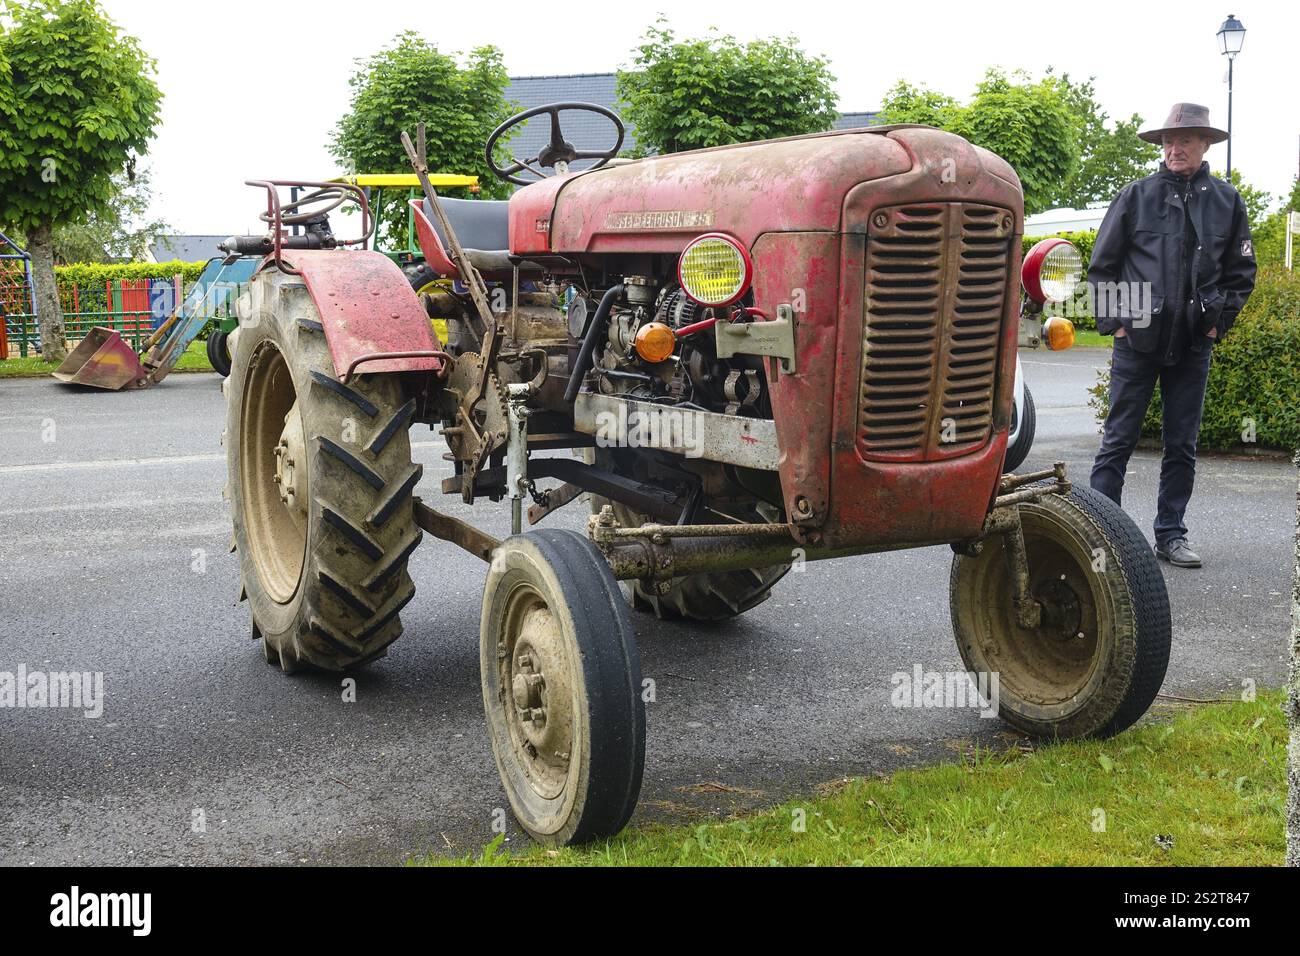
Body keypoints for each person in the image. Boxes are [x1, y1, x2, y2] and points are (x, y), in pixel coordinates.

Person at [1088, 103, 1257, 568]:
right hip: (1137, 339)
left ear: (1206, 144)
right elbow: (1101, 269)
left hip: (1192, 343)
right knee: (1118, 440)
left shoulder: (1227, 201)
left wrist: (1216, 322)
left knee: (1181, 444)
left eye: (1184, 140)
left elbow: (1241, 273)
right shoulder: (1135, 196)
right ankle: (1103, 533)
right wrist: (1117, 323)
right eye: (1168, 141)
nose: (1174, 148)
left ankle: (1171, 534)